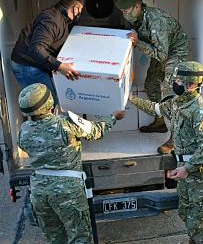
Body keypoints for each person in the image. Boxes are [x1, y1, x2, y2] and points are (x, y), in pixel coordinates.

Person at [17, 83, 125, 243]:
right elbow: (96, 131)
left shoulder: (24, 130)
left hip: (39, 192)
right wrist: (114, 117)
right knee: (80, 238)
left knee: (54, 239)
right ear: (50, 103)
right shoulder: (65, 122)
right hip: (68, 191)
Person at [129, 61, 203, 244]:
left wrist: (188, 167)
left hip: (199, 173)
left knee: (199, 222)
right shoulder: (177, 103)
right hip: (184, 168)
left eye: (178, 80)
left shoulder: (200, 111)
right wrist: (132, 100)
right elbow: (156, 108)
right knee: (186, 214)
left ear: (192, 84)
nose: (174, 83)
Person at [116, 0, 189, 154]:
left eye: (126, 11)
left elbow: (162, 54)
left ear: (137, 6)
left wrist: (138, 43)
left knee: (171, 93)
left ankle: (176, 139)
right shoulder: (136, 16)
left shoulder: (156, 21)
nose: (124, 14)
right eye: (122, 11)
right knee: (151, 85)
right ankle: (160, 121)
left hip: (175, 51)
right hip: (162, 50)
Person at [11, 0, 84, 108]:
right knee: (46, 107)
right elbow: (36, 49)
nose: (79, 14)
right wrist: (60, 66)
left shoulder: (61, 19)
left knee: (47, 105)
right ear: (75, 8)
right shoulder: (52, 20)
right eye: (81, 10)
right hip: (28, 66)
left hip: (33, 64)